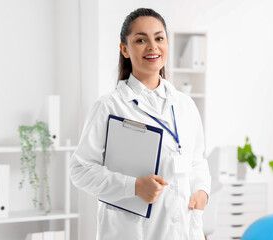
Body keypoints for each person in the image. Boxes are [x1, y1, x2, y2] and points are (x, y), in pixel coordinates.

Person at [70, 8, 211, 240]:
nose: (152, 47)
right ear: (124, 49)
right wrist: (133, 186)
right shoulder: (109, 106)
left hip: (184, 230)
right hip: (133, 232)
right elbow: (80, 170)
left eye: (159, 38)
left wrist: (203, 191)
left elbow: (197, 160)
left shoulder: (185, 105)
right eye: (140, 40)